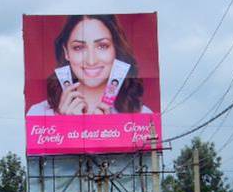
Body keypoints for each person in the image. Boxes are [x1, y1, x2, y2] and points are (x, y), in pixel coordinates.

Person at [26, 15, 154, 116]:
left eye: (102, 46)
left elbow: (150, 149)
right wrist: (66, 126)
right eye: (79, 47)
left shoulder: (143, 115)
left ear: (116, 50)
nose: (91, 61)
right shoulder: (39, 114)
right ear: (66, 53)